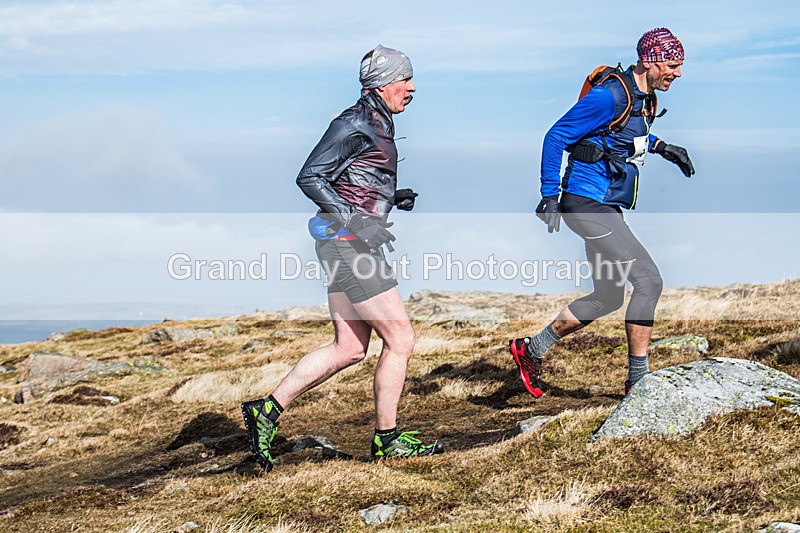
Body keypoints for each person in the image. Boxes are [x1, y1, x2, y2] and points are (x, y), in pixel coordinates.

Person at [241, 45, 442, 471]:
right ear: (384, 82)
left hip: (344, 241)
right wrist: (358, 219)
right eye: (406, 79)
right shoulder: (354, 122)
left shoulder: (377, 121)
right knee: (401, 340)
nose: (412, 87)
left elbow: (353, 177)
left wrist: (389, 196)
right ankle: (387, 441)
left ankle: (267, 411)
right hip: (349, 243)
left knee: (349, 347)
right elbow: (310, 175)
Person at [509, 28, 695, 398]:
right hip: (585, 203)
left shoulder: (644, 99)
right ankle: (638, 381)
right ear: (650, 59)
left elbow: (624, 135)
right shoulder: (609, 96)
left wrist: (663, 147)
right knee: (648, 281)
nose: (677, 73)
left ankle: (531, 350)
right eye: (673, 65)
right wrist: (549, 195)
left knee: (608, 296)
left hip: (605, 203)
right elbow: (556, 136)